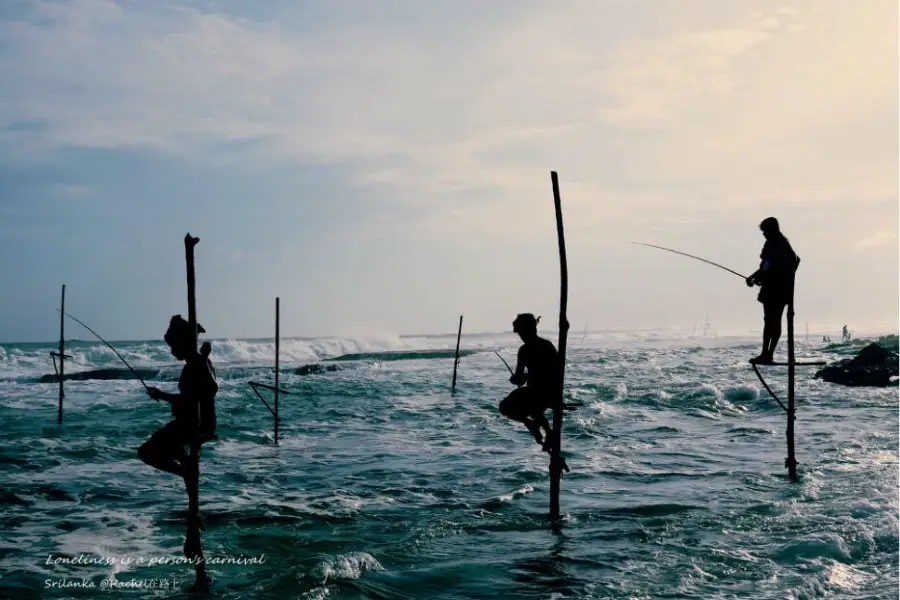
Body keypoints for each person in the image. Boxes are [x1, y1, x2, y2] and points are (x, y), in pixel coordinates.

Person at [139, 315, 218, 480]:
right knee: (162, 444)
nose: (172, 351)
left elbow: (188, 402)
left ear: (184, 343)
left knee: (146, 452)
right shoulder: (201, 362)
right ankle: (186, 465)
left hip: (192, 426)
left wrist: (160, 394)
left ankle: (186, 472)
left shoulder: (195, 365)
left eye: (174, 346)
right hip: (202, 423)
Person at [499, 313, 560, 451]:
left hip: (537, 394)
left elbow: (519, 377)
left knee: (504, 406)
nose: (521, 336)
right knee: (534, 407)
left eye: (521, 332)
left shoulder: (525, 350)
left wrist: (516, 379)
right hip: (551, 393)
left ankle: (530, 424)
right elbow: (555, 370)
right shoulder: (547, 345)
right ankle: (547, 430)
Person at [745, 217, 800, 364]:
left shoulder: (774, 244)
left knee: (769, 321)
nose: (764, 234)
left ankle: (766, 354)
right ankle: (768, 353)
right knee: (775, 322)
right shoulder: (784, 244)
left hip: (773, 291)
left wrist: (754, 278)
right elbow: (793, 261)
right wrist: (757, 277)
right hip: (783, 291)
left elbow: (767, 266)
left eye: (765, 231)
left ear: (771, 230)